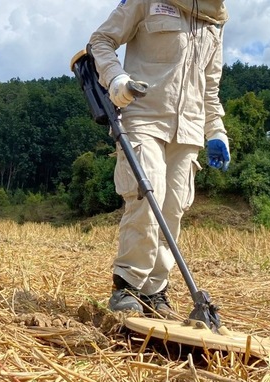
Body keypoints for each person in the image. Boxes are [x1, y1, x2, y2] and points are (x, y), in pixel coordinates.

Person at [87, 0, 231, 316]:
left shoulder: (214, 19)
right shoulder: (148, 1)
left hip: (189, 129)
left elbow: (210, 86)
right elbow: (101, 40)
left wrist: (216, 131)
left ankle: (154, 293)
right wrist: (115, 79)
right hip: (143, 115)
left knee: (173, 209)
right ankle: (127, 286)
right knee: (148, 195)